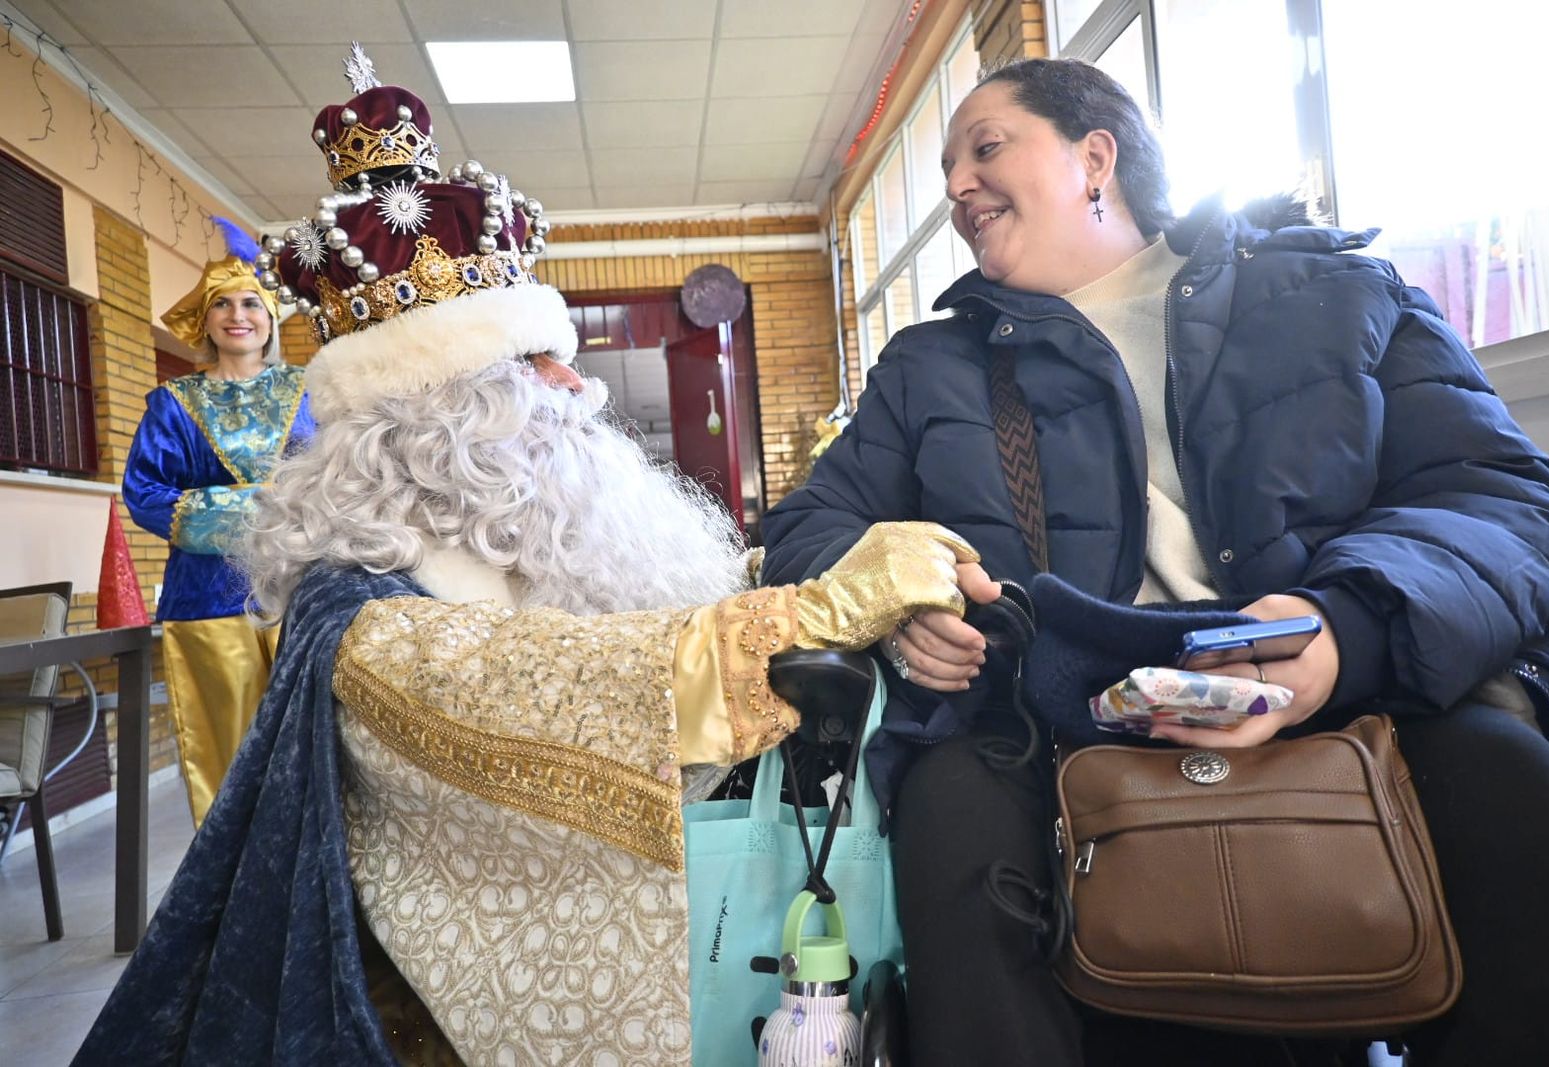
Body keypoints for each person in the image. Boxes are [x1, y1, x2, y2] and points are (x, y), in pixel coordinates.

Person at [75, 52, 982, 1067]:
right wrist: (806, 614)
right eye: (534, 361)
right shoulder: (357, 596)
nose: (577, 381)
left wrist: (819, 581)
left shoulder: (527, 525)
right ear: (435, 413)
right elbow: (525, 687)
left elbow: (658, 607)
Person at [762, 57, 1549, 1066]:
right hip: (1044, 725)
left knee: (1505, 776)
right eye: (947, 167)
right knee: (947, 814)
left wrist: (1343, 630)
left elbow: (1508, 504)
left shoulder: (1336, 294)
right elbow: (810, 526)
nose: (953, 188)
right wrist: (893, 601)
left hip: (1348, 695)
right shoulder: (928, 366)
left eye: (984, 148)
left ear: (1094, 158)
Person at [123, 221, 314, 827]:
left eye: (251, 303)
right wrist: (262, 506)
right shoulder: (172, 403)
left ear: (271, 317)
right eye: (222, 304)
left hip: (303, 597)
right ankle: (233, 895)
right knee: (228, 761)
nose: (238, 316)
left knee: (310, 752)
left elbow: (339, 482)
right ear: (204, 322)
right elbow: (145, 494)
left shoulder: (311, 393)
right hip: (207, 601)